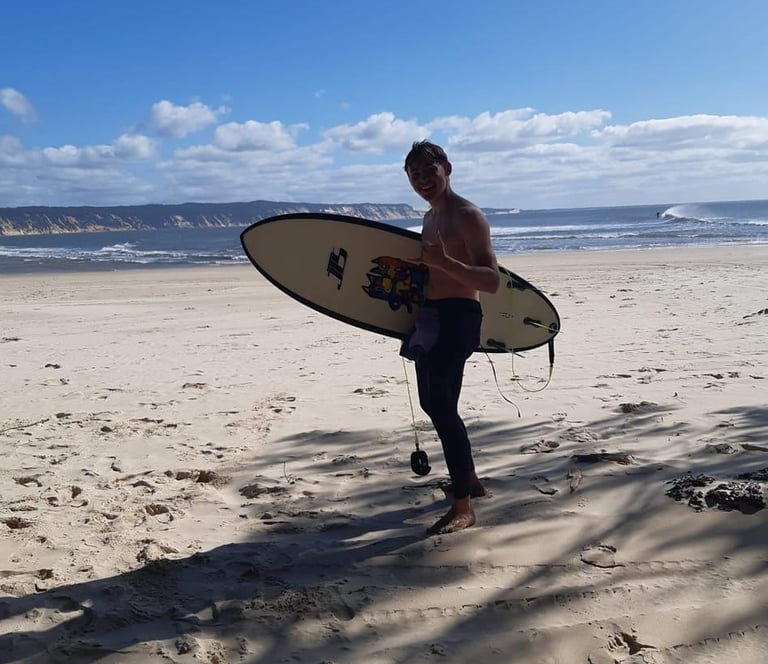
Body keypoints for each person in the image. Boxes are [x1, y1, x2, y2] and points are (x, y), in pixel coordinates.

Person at [401, 140, 500, 535]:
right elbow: (434, 270)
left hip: (459, 317)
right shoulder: (429, 217)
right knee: (437, 404)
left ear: (448, 169)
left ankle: (463, 507)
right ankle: (470, 481)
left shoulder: (467, 216)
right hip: (430, 317)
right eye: (415, 175)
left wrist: (445, 262)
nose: (424, 180)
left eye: (430, 172)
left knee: (440, 407)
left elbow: (491, 281)